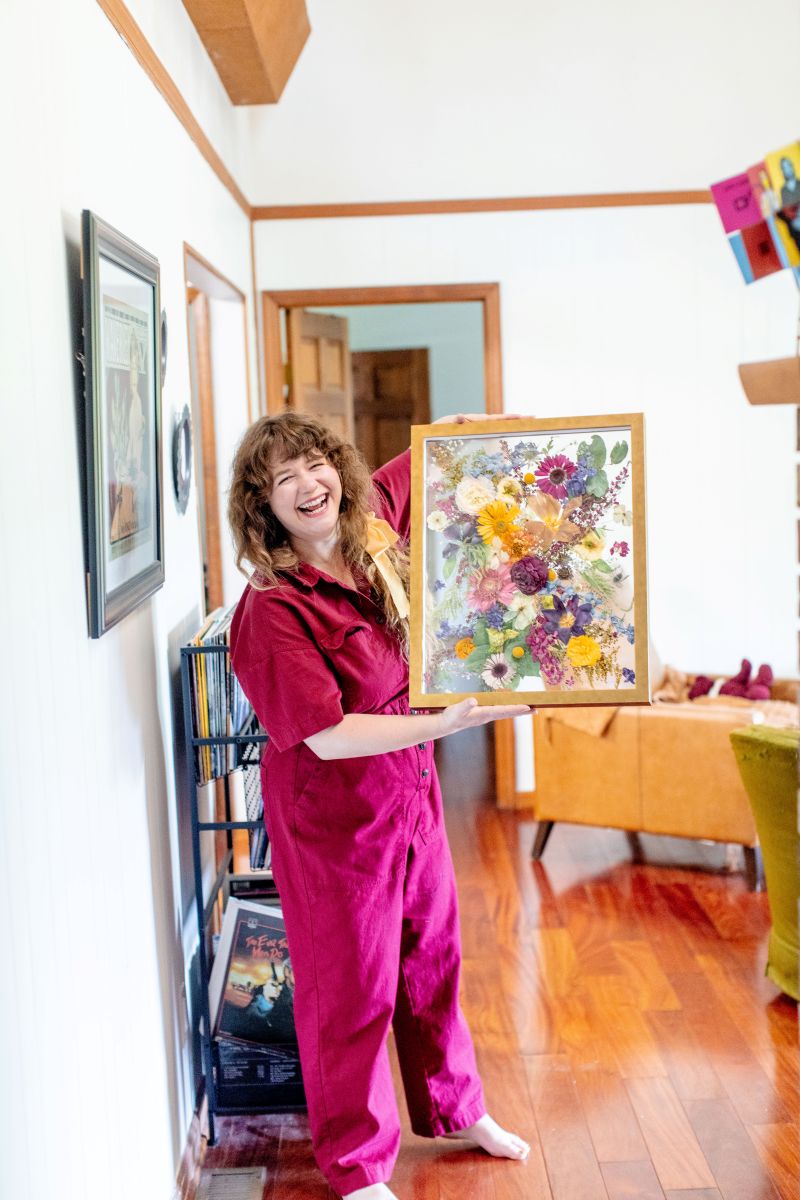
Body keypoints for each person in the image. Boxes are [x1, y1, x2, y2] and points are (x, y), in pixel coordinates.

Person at [227, 410, 532, 1200]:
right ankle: (358, 1167)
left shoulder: (373, 532)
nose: (307, 484)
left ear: (338, 471)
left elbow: (429, 457)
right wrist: (446, 721)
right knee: (353, 990)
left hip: (411, 796)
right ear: (262, 505)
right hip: (332, 820)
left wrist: (495, 428)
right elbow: (324, 735)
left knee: (432, 959)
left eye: (315, 464)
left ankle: (456, 1109)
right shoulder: (270, 609)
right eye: (282, 478)